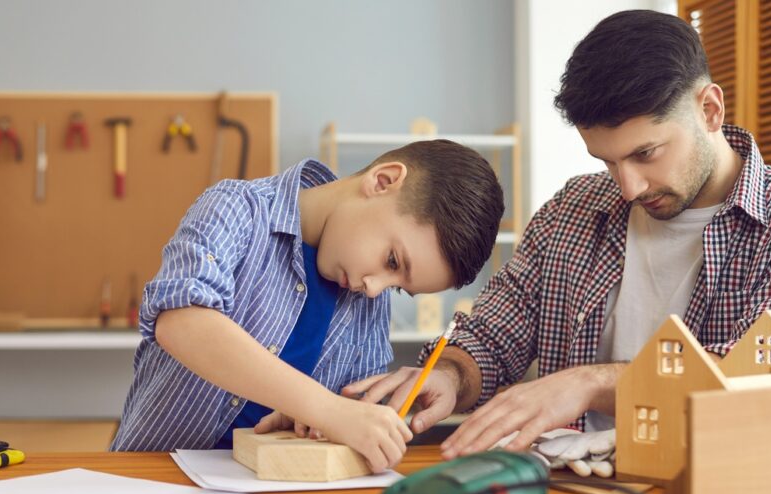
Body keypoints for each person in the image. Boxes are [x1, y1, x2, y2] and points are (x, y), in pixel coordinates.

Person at [345, 9, 771, 460]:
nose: (628, 187)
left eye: (645, 153)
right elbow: (492, 336)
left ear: (709, 110)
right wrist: (450, 374)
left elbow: (757, 377)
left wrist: (589, 384)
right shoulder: (574, 208)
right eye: (607, 162)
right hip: (565, 491)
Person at [110, 139, 505, 474]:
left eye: (399, 287)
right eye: (392, 262)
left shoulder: (367, 299)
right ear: (382, 181)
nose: (376, 289)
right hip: (151, 480)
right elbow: (183, 322)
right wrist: (324, 409)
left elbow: (342, 416)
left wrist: (320, 423)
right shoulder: (236, 209)